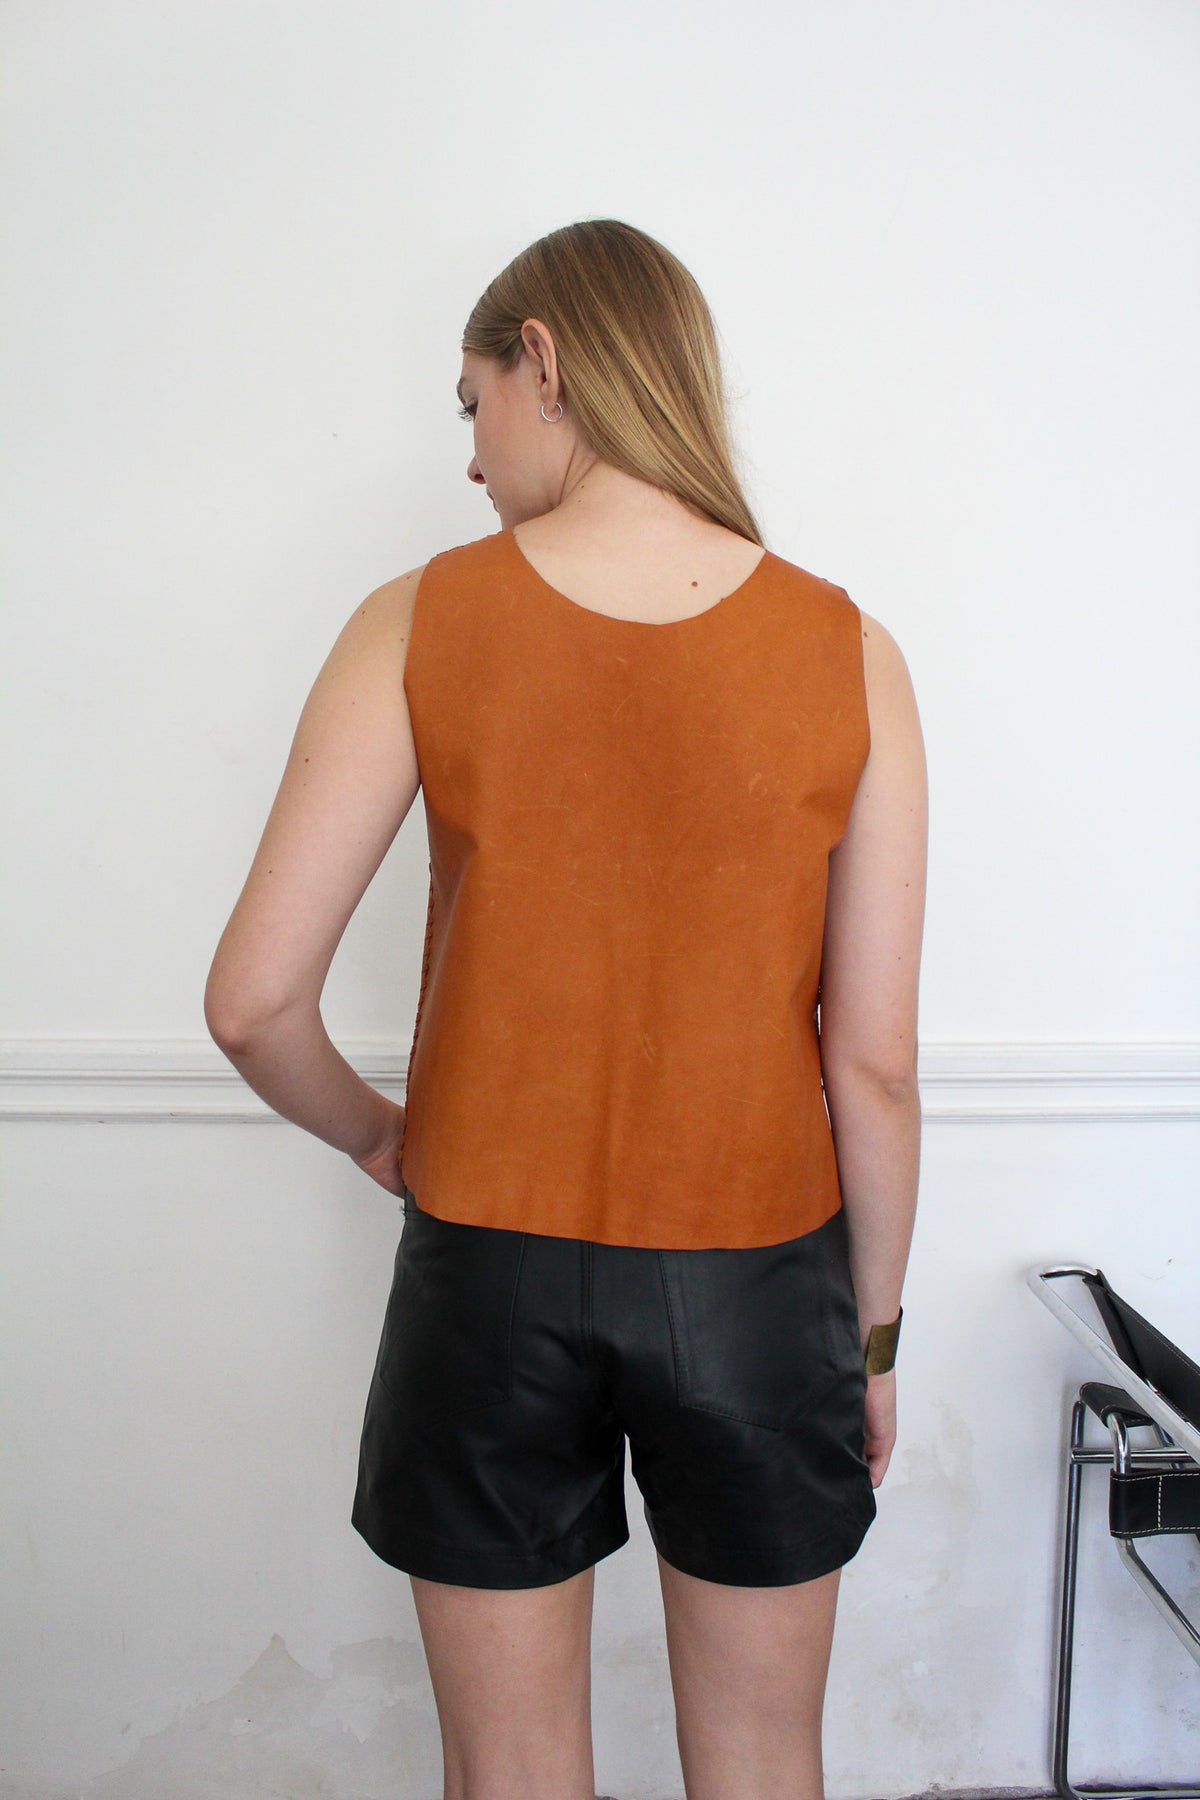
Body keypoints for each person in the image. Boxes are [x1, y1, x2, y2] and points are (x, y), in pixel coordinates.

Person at [205, 218, 927, 1800]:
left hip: (488, 1272)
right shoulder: (847, 650)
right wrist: (868, 1340)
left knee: (511, 1769)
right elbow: (872, 1064)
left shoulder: (418, 619)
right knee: (764, 1759)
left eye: (471, 404)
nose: (470, 459)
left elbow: (254, 1003)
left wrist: (379, 1134)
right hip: (761, 1282)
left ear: (544, 358)